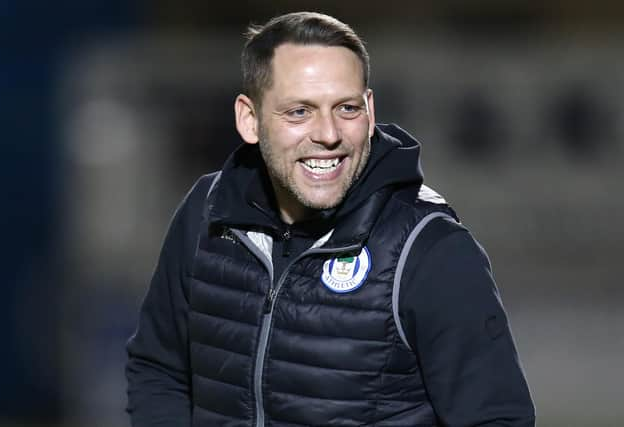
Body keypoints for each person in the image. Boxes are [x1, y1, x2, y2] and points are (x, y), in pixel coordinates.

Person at [125, 11, 535, 427]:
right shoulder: (206, 213)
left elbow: (497, 419)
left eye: (346, 108)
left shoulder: (430, 248)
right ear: (250, 120)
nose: (328, 134)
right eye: (299, 111)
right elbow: (159, 369)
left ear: (370, 111)